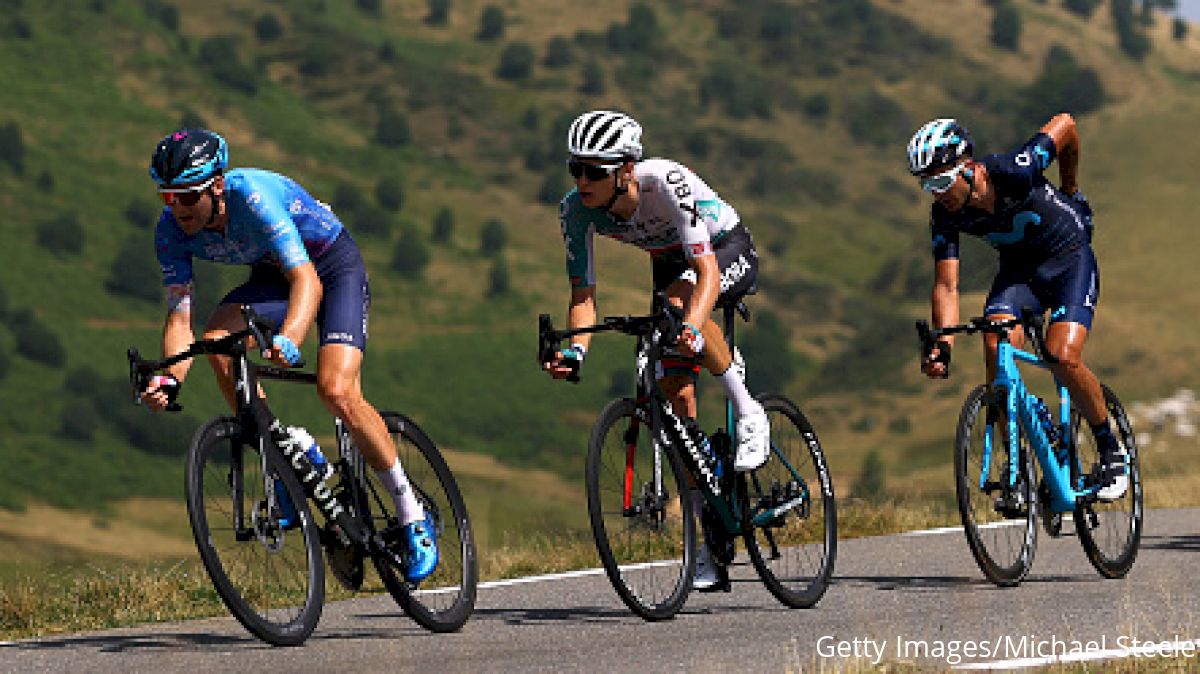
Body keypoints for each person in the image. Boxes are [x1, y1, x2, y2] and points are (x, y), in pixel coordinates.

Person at [139, 128, 438, 582]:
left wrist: (292, 338)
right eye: (167, 197)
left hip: (330, 267)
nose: (177, 209)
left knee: (336, 390)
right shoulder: (170, 233)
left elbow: (308, 281)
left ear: (217, 185)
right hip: (274, 277)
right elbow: (180, 320)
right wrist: (170, 378)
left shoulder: (252, 198)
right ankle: (287, 447)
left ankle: (411, 512)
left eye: (187, 197)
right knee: (220, 341)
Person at [543, 110, 769, 590]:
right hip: (671, 264)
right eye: (575, 169)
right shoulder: (575, 210)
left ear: (626, 169)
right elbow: (583, 297)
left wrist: (690, 327)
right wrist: (575, 353)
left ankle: (748, 408)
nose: (582, 180)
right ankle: (709, 535)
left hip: (725, 249)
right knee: (674, 395)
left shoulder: (666, 181)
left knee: (681, 306)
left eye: (595, 171)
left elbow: (706, 272)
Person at [908, 115, 1128, 501]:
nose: (936, 193)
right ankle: (1019, 464)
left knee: (1062, 355)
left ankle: (1111, 450)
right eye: (927, 184)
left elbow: (1067, 125)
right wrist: (942, 344)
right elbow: (947, 284)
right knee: (995, 342)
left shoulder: (1015, 169)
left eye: (942, 181)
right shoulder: (944, 214)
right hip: (1020, 275)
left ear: (969, 167)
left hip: (1070, 261)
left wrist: (1071, 189)